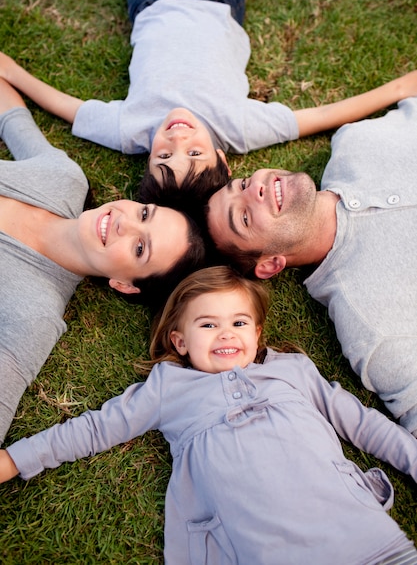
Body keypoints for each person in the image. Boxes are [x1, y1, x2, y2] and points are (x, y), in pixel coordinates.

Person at [1, 266, 417, 564]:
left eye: (239, 321)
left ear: (256, 334)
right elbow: (94, 428)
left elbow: (361, 423)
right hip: (258, 547)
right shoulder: (168, 389)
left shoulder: (292, 370)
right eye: (207, 325)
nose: (226, 333)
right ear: (179, 341)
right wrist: (15, 459)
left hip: (360, 536)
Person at [1, 0, 417, 214]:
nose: (176, 140)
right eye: (194, 154)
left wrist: (14, 72)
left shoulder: (130, 129)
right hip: (219, 1)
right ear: (222, 158)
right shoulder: (237, 128)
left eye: (162, 156)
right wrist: (399, 88)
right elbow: (322, 115)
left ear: (146, 158)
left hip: (149, 3)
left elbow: (68, 110)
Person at [0, 77, 205, 446]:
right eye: (144, 214)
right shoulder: (64, 180)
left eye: (140, 249)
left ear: (124, 285)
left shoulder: (35, 315)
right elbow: (13, 120)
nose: (124, 223)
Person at [206, 95, 417, 438]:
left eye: (242, 184)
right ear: (270, 265)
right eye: (244, 216)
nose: (255, 188)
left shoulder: (357, 142)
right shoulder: (372, 326)